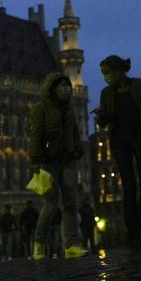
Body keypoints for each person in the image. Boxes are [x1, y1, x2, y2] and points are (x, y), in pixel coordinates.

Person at [96, 55, 141, 248]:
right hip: (120, 143)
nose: (106, 77)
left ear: (118, 70)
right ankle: (133, 234)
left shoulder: (139, 86)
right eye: (103, 74)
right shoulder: (106, 93)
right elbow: (105, 122)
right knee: (129, 188)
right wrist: (101, 116)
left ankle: (134, 224)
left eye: (107, 73)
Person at [28, 72, 89, 260]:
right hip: (49, 161)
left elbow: (75, 132)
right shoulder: (41, 108)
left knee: (71, 203)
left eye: (68, 86)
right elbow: (36, 134)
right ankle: (39, 243)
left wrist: (78, 149)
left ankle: (71, 245)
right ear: (52, 88)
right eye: (62, 86)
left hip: (68, 160)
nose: (66, 89)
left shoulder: (69, 109)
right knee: (51, 204)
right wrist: (35, 160)